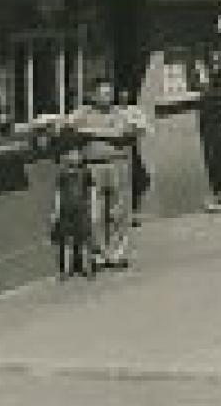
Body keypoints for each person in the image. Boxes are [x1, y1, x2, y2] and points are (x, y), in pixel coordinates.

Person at [69, 79, 149, 268]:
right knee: (95, 212)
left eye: (110, 94)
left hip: (117, 164)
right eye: (103, 94)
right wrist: (101, 131)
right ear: (93, 96)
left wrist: (91, 132)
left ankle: (117, 253)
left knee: (118, 211)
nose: (108, 98)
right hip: (93, 166)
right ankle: (99, 254)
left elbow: (123, 133)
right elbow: (68, 127)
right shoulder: (83, 112)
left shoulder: (121, 113)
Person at [49, 138, 97, 279]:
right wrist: (56, 212)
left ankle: (87, 268)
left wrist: (93, 209)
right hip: (66, 211)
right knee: (67, 242)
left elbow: (92, 191)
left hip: (82, 210)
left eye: (76, 154)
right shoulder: (62, 174)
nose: (74, 157)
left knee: (84, 241)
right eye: (71, 154)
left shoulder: (86, 173)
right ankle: (66, 270)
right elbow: (58, 194)